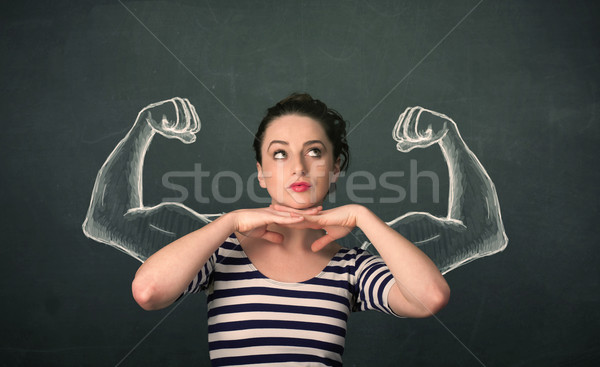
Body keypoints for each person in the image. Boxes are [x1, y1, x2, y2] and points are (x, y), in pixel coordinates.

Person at [130, 93, 451, 366]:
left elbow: (430, 298)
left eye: (314, 152)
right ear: (261, 172)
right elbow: (149, 293)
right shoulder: (222, 253)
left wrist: (362, 216)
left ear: (335, 167)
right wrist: (229, 223)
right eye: (280, 154)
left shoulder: (351, 266)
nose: (299, 166)